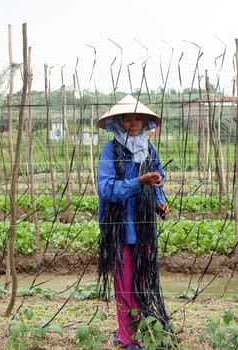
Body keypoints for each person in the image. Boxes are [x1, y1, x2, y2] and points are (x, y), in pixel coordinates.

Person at [96, 95, 172, 349]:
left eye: (138, 118)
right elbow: (107, 190)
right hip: (119, 229)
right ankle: (129, 339)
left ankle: (136, 331)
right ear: (118, 122)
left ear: (145, 121)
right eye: (128, 118)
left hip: (144, 228)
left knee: (141, 282)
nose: (134, 123)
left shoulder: (148, 149)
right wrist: (138, 183)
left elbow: (158, 179)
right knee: (124, 284)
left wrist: (159, 201)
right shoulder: (110, 150)